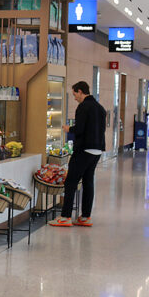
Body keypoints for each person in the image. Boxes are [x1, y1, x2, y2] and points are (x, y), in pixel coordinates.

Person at [50, 81, 106, 228]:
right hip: (97, 150)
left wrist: (69, 128)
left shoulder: (83, 106)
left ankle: (65, 216)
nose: (75, 98)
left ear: (80, 92)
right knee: (88, 182)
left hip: (84, 150)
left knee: (71, 182)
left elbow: (80, 129)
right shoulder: (100, 108)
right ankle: (85, 217)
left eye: (75, 94)